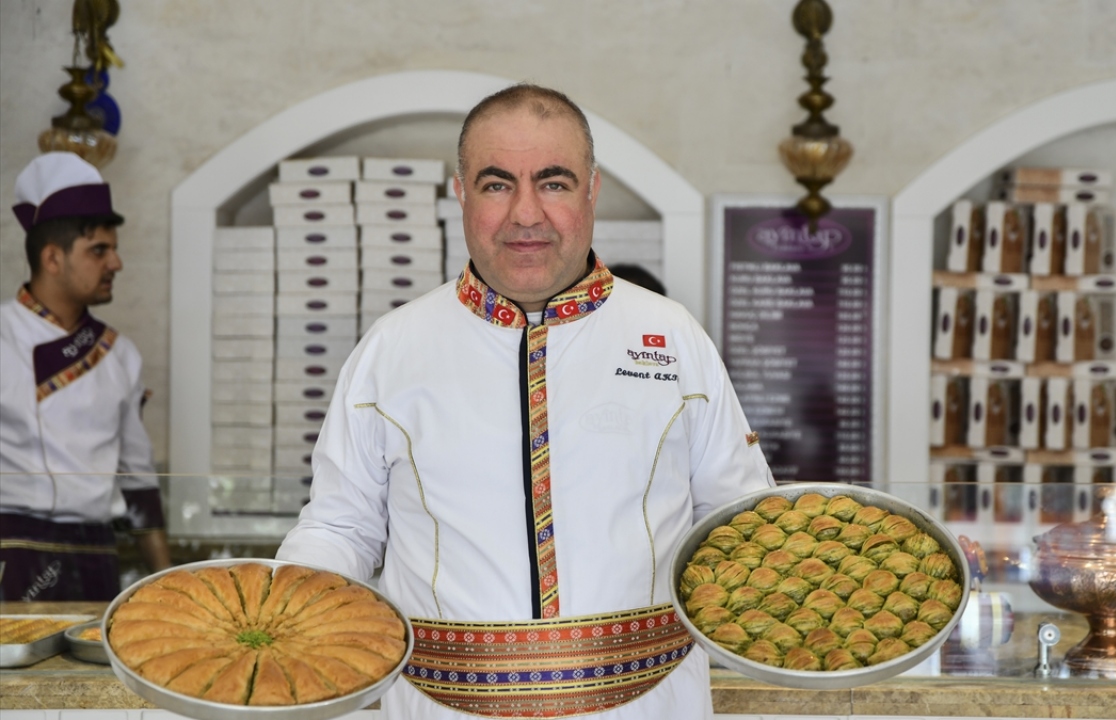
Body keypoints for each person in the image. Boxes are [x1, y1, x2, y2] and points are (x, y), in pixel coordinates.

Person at [278, 84, 774, 719]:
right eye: (495, 184)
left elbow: (740, 529)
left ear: (592, 191)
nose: (526, 213)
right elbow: (341, 526)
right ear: (460, 194)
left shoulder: (673, 338)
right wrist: (283, 619)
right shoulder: (391, 349)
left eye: (554, 183)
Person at [0, 152, 171, 602]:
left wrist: (168, 584)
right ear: (52, 258)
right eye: (99, 250)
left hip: (96, 556)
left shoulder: (119, 353)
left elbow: (138, 481)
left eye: (113, 249)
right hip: (13, 555)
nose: (116, 263)